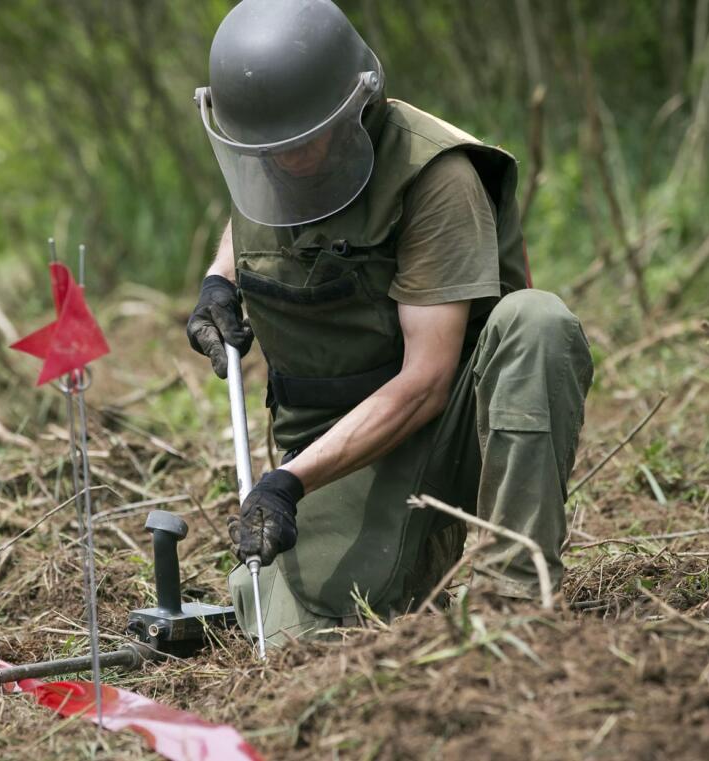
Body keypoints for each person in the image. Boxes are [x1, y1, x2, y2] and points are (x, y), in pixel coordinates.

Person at [187, 0, 593, 645]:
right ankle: (388, 569)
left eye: (302, 144)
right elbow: (255, 222)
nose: (285, 163)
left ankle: (514, 594)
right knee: (298, 631)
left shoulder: (437, 179)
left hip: (442, 429)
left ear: (356, 107)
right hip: (331, 443)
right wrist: (219, 281)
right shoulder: (272, 154)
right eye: (267, 151)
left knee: (536, 321)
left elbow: (427, 382)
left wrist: (286, 485)